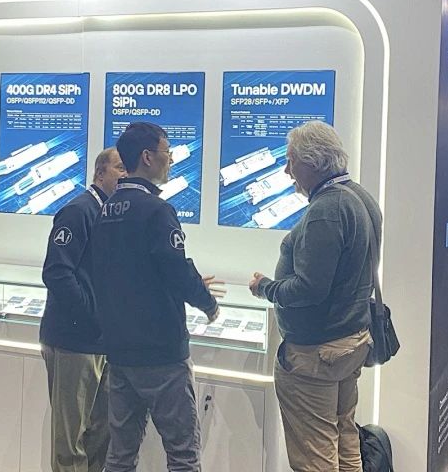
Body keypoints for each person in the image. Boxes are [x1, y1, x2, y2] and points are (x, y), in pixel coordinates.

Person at [90, 122, 221, 472]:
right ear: (148, 157)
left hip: (120, 351)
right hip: (161, 353)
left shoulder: (106, 210)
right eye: (167, 153)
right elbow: (175, 269)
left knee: (120, 455)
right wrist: (208, 303)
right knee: (182, 454)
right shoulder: (157, 210)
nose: (171, 160)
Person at [248, 121, 378, 472]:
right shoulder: (360, 197)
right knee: (346, 440)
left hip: (317, 354)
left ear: (313, 161)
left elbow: (309, 288)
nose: (287, 170)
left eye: (291, 160)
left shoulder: (327, 210)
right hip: (349, 341)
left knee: (314, 457)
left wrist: (265, 287)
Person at [40, 147, 127, 472]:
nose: (125, 175)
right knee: (70, 439)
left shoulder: (115, 214)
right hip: (74, 342)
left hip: (104, 342)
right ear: (99, 173)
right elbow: (57, 273)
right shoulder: (78, 212)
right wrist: (92, 316)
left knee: (103, 431)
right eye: (119, 168)